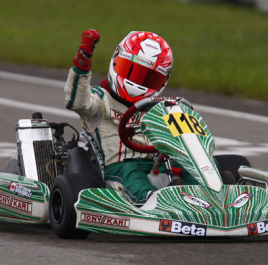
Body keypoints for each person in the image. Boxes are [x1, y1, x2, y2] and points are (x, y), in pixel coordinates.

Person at [64, 29, 194, 205]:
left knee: (187, 165)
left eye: (149, 78)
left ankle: (209, 195)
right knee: (131, 173)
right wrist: (82, 63)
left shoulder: (160, 107)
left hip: (156, 165)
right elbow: (77, 102)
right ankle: (153, 202)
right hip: (117, 169)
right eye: (131, 71)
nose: (137, 82)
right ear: (117, 61)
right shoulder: (101, 100)